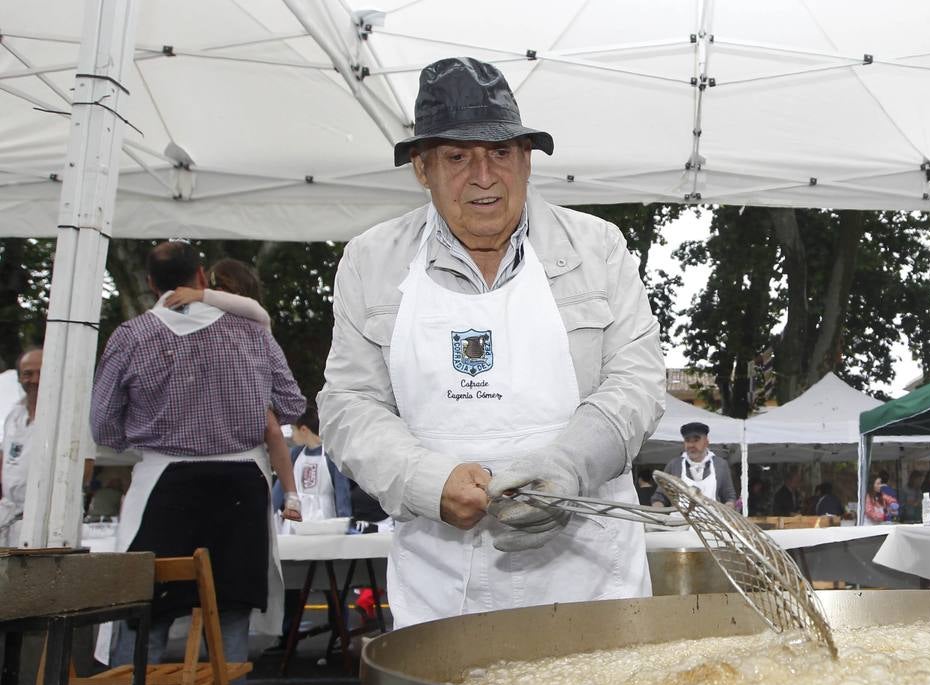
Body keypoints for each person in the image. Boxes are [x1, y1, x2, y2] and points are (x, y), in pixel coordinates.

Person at [317, 57, 663, 629]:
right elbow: (349, 405)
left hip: (590, 579)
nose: (483, 176)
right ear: (422, 170)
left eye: (500, 153)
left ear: (526, 161)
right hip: (444, 584)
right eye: (456, 157)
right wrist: (426, 483)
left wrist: (568, 467)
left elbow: (638, 381)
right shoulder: (371, 262)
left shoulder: (597, 248)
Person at [90, 240, 306, 685]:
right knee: (228, 624)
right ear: (202, 274)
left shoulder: (132, 335)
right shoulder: (250, 332)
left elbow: (104, 427)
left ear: (148, 280)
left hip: (165, 482)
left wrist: (153, 433)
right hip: (238, 485)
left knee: (144, 623)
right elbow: (293, 404)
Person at [165, 259, 304, 523]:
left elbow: (250, 307)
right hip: (222, 393)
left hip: (249, 390)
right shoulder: (212, 316)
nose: (217, 293)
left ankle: (292, 494)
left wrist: (200, 294)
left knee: (272, 430)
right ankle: (291, 494)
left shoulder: (253, 317)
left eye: (222, 287)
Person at [270, 406, 352, 529]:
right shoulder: (295, 454)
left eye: (293, 430)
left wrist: (345, 524)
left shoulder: (331, 455)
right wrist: (268, 514)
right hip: (296, 520)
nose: (292, 435)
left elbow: (342, 492)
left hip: (325, 518)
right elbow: (282, 486)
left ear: (303, 430)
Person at [0, 347, 41, 546]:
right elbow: (4, 459)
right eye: (28, 374)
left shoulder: (67, 414)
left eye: (41, 373)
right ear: (19, 378)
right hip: (8, 517)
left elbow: (84, 471)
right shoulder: (14, 414)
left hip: (43, 520)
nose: (34, 379)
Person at [651, 422, 737, 506]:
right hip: (679, 518)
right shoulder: (674, 465)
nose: (691, 445)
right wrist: (657, 507)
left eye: (696, 440)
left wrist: (729, 507)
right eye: (688, 440)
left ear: (706, 442)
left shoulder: (720, 464)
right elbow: (660, 496)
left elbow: (729, 496)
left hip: (712, 519)